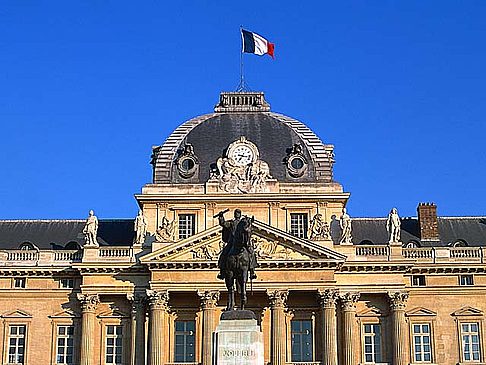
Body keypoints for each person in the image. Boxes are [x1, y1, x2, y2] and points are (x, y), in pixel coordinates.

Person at [217, 209, 257, 280]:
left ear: (240, 215)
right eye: (236, 213)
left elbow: (248, 227)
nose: (237, 214)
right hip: (232, 242)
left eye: (238, 213)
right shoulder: (231, 223)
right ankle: (222, 271)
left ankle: (252, 270)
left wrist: (249, 221)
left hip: (243, 243)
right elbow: (223, 223)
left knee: (252, 252)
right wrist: (221, 216)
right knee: (224, 253)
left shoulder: (243, 223)